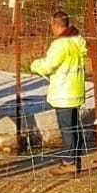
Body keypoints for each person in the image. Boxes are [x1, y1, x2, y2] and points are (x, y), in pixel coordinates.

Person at [29, 10, 88, 175]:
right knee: (74, 127)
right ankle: (75, 158)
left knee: (66, 128)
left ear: (56, 25)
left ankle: (69, 161)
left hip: (64, 92)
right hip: (76, 89)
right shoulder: (78, 42)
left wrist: (34, 65)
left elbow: (49, 65)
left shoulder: (61, 45)